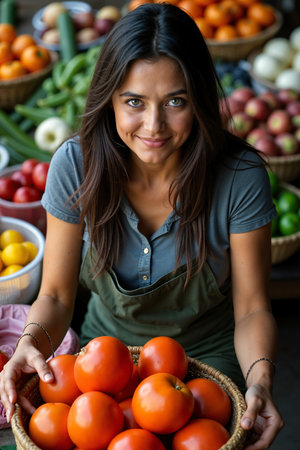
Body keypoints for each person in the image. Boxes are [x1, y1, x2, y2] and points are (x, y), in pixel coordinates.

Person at [0, 3, 283, 448]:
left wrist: (261, 381)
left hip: (207, 359)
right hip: (101, 359)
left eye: (175, 102)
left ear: (200, 101)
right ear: (109, 99)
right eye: (134, 102)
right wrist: (29, 344)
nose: (154, 126)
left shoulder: (239, 175)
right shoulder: (76, 165)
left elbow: (251, 308)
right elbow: (55, 295)